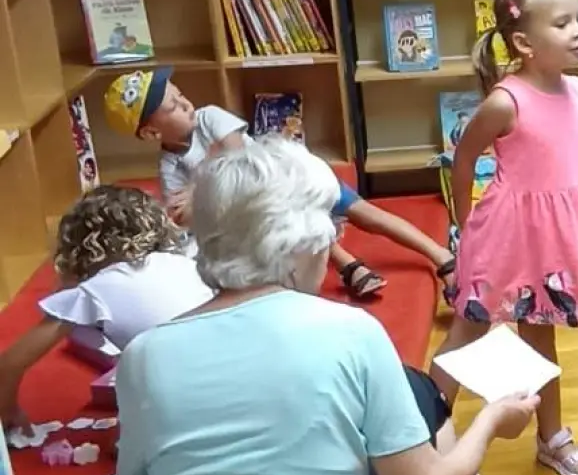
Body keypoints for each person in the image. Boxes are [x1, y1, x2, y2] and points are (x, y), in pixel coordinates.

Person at [115, 138, 542, 475]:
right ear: (297, 244)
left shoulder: (143, 356)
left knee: (383, 406)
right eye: (327, 234)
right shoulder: (349, 333)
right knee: (421, 401)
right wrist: (491, 421)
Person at [429, 0, 578, 475]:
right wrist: (462, 229)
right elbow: (462, 162)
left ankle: (551, 438)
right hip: (501, 235)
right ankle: (426, 436)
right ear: (523, 43)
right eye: (563, 22)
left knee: (541, 334)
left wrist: (571, 218)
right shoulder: (507, 101)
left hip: (552, 239)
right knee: (468, 332)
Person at [102, 68, 456, 301]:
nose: (184, 102)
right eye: (172, 106)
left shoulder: (209, 118)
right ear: (151, 132)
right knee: (289, 232)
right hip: (268, 207)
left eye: (179, 94)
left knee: (366, 214)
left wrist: (198, 192)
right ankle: (349, 266)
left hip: (297, 176)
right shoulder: (169, 167)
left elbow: (237, 159)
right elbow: (182, 215)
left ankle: (439, 255)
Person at [0, 186, 212, 430]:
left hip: (182, 402)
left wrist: (8, 410)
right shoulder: (184, 263)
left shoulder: (94, 289)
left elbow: (9, 365)